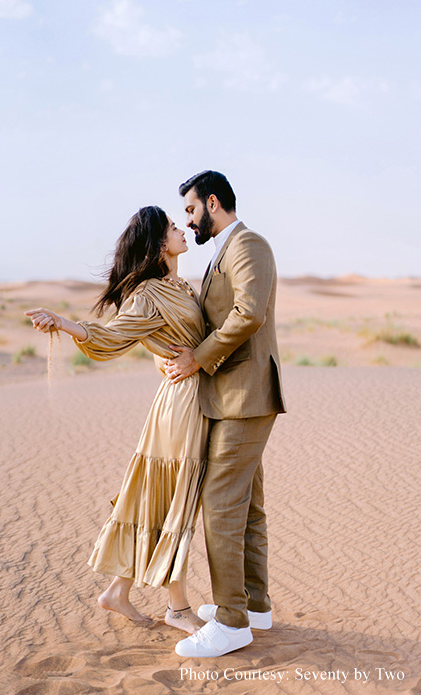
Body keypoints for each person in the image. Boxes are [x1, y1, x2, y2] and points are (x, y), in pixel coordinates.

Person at [25, 206, 208, 635]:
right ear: (161, 243)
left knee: (161, 498)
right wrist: (64, 323)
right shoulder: (148, 295)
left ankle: (118, 593)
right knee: (174, 500)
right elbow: (112, 335)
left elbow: (175, 341)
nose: (182, 231)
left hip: (189, 396)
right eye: (173, 228)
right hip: (182, 405)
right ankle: (178, 607)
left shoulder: (175, 285)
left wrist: (169, 357)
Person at [164, 171, 287, 657]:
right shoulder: (225, 249)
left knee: (218, 503)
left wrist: (199, 356)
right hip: (235, 395)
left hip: (245, 395)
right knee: (247, 504)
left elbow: (250, 313)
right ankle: (254, 607)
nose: (189, 222)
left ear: (213, 202)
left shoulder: (248, 244)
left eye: (192, 210)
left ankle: (232, 622)